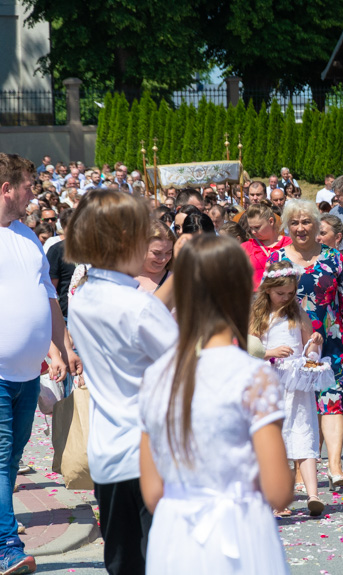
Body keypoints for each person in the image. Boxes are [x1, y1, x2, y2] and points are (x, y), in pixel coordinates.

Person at [138, 234, 293, 574]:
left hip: (174, 535)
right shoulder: (252, 376)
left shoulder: (155, 377)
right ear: (241, 292)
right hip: (240, 529)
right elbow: (279, 490)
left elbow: (151, 492)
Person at [66, 190, 178, 575]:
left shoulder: (82, 297)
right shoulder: (137, 305)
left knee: (123, 561)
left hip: (109, 452)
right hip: (153, 451)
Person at [0, 153, 76, 575]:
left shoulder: (28, 236)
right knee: (1, 454)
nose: (35, 191)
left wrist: (57, 349)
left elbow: (47, 299)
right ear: (7, 188)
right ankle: (6, 544)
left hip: (29, 374)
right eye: (29, 184)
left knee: (10, 459)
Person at [269, 200, 343, 489]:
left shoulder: (334, 258)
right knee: (297, 406)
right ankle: (301, 470)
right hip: (290, 343)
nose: (300, 228)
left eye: (306, 222)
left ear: (316, 225)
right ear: (287, 225)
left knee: (331, 402)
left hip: (331, 341)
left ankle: (334, 466)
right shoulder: (277, 258)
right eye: (294, 223)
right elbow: (263, 300)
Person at [250, 261, 325, 517]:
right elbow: (249, 348)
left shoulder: (297, 312)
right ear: (268, 289)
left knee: (303, 431)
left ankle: (313, 495)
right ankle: (278, 501)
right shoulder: (259, 315)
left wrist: (315, 344)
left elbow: (308, 346)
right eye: (281, 293)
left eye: (291, 293)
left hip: (296, 382)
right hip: (271, 381)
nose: (286, 298)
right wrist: (269, 352)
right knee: (276, 437)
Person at [240, 204, 292, 288]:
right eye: (251, 228)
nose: (253, 232)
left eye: (257, 227)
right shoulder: (245, 247)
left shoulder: (289, 244)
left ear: (271, 221)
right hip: (256, 298)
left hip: (285, 295)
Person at [135, 220, 175, 294]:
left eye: (168, 252)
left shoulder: (176, 281)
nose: (163, 259)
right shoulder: (122, 277)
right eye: (156, 253)